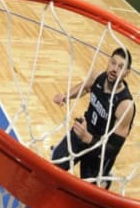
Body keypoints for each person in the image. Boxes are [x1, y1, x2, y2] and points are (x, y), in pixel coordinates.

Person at [51, 47, 134, 189]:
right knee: (54, 166)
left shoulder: (125, 105)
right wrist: (66, 96)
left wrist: (88, 138)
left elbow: (113, 149)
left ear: (127, 73)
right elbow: (85, 87)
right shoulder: (98, 76)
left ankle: (105, 180)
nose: (114, 69)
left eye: (120, 67)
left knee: (88, 193)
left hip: (100, 149)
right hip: (84, 130)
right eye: (113, 63)